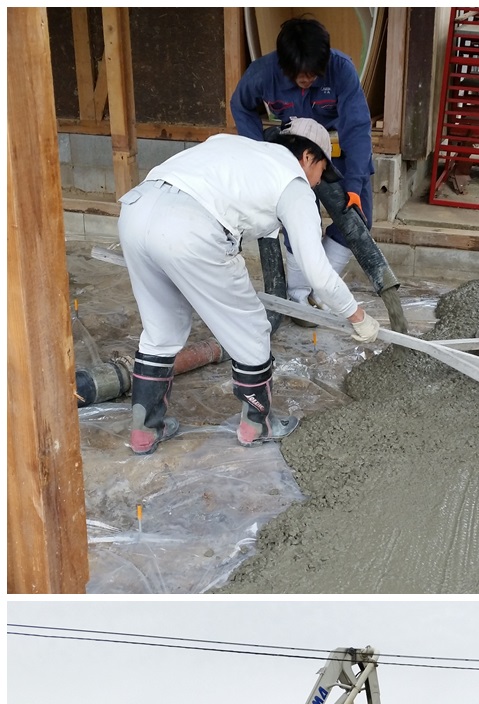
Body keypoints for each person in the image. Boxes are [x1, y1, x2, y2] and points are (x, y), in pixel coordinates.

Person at [117, 119, 379, 455]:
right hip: (190, 226)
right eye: (321, 173)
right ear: (309, 158)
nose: (317, 184)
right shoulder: (293, 183)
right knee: (253, 330)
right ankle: (256, 425)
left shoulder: (238, 148)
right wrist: (356, 315)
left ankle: (144, 431)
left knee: (161, 330)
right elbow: (319, 272)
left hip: (136, 211)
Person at [231, 17, 375, 306]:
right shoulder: (262, 73)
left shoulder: (341, 69)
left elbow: (357, 128)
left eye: (313, 74)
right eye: (300, 74)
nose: (307, 80)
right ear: (284, 66)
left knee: (357, 218)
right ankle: (298, 295)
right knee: (296, 220)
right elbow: (240, 106)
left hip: (337, 149)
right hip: (294, 149)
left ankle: (321, 291)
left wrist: (356, 186)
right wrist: (262, 155)